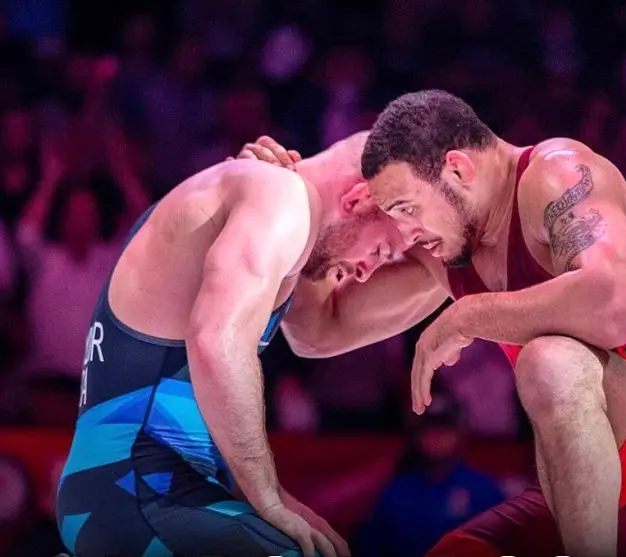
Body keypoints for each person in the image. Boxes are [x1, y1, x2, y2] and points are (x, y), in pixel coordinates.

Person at [244, 90, 626, 557]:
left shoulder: (557, 173)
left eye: (407, 208)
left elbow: (614, 307)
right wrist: (286, 207)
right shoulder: (447, 251)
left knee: (551, 360)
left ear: (457, 169)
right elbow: (317, 332)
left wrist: (469, 314)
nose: (406, 233)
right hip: (587, 495)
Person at [56, 133, 409, 557]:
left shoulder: (258, 197)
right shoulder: (280, 195)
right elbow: (216, 343)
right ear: (359, 198)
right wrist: (269, 499)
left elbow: (318, 332)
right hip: (133, 490)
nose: (368, 271)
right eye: (382, 251)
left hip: (139, 488)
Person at [357, 391, 505, 557]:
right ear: (416, 435)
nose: (436, 436)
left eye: (445, 427)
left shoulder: (485, 491)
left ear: (460, 433)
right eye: (430, 428)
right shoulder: (395, 493)